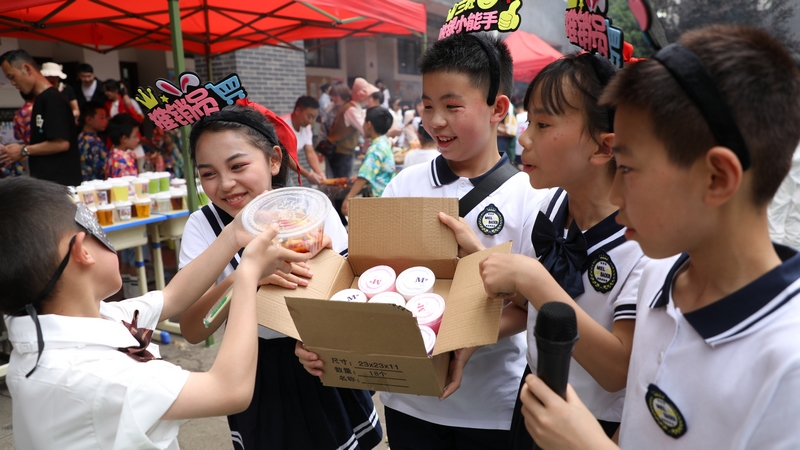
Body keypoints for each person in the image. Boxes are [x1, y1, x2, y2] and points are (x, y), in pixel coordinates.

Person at [519, 25, 800, 450]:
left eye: (628, 169)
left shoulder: (787, 365)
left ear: (717, 177)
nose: (614, 192)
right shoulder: (659, 283)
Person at [299, 32, 545, 450]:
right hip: (407, 400)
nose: (436, 121)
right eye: (428, 105)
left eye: (452, 106)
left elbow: (529, 307)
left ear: (497, 108)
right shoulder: (407, 183)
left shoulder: (528, 196)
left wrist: (457, 335)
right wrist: (331, 337)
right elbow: (368, 279)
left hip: (490, 406)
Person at [0, 176, 309, 449]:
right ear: (82, 249)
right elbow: (230, 389)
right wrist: (248, 272)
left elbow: (172, 297)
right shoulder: (94, 375)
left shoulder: (82, 320)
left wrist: (233, 235)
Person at [178, 104, 383, 450]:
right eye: (208, 173)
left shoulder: (312, 208)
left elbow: (354, 295)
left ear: (274, 160)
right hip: (255, 367)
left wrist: (331, 264)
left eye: (238, 165)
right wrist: (248, 277)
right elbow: (195, 327)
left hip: (319, 359)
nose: (226, 184)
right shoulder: (203, 227)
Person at [475, 53, 647, 447]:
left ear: (604, 148)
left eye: (542, 124)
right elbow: (526, 303)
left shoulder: (641, 240)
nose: (523, 137)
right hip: (533, 396)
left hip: (590, 424)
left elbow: (617, 368)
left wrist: (532, 278)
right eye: (528, 120)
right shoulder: (548, 205)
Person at [0, 49, 82, 186]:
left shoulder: (52, 99)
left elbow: (61, 143)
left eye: (12, 77)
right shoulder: (41, 99)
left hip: (60, 184)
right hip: (49, 184)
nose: (13, 84)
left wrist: (24, 150)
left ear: (26, 68)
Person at [325, 79, 374, 224]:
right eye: (368, 95)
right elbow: (365, 130)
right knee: (341, 186)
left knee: (341, 184)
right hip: (340, 152)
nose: (369, 98)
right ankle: (340, 220)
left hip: (342, 151)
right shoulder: (351, 109)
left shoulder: (352, 107)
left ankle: (340, 219)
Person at [342, 106, 396, 215]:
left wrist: (348, 199)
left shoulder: (375, 148)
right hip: (389, 200)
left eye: (364, 122)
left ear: (369, 124)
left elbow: (365, 176)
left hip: (378, 201)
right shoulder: (385, 143)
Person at [281, 95, 326, 186]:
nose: (310, 121)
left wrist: (320, 173)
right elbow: (287, 157)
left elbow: (310, 152)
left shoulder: (307, 127)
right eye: (309, 116)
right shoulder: (283, 125)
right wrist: (308, 175)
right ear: (297, 111)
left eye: (313, 118)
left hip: (284, 169)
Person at [1, 90, 34, 179]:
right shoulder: (38, 110)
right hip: (40, 148)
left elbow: (17, 135)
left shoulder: (18, 113)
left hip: (24, 148)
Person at [77, 101, 109, 181]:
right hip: (95, 183)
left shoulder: (80, 137)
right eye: (102, 118)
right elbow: (103, 168)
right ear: (89, 120)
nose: (105, 121)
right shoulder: (93, 142)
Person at [105, 113, 140, 179]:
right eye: (135, 136)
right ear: (124, 139)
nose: (138, 139)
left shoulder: (112, 154)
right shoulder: (125, 161)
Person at [514, 103, 527, 169]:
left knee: (520, 163)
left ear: (517, 109)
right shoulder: (529, 116)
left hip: (519, 144)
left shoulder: (517, 117)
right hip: (528, 142)